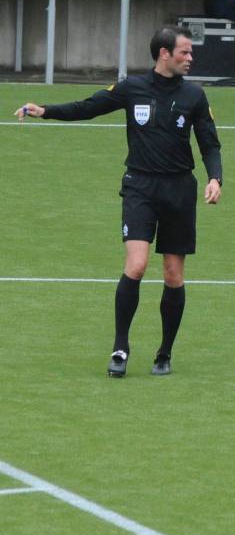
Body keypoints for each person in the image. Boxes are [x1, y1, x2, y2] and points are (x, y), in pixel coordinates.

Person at [15, 25, 223, 378]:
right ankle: (120, 347)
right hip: (139, 186)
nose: (190, 58)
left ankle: (164, 352)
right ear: (164, 54)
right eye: (185, 52)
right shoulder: (132, 88)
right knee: (137, 265)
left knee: (173, 274)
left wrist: (215, 177)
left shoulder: (194, 96)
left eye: (190, 52)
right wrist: (45, 110)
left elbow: (209, 142)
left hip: (179, 191)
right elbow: (88, 107)